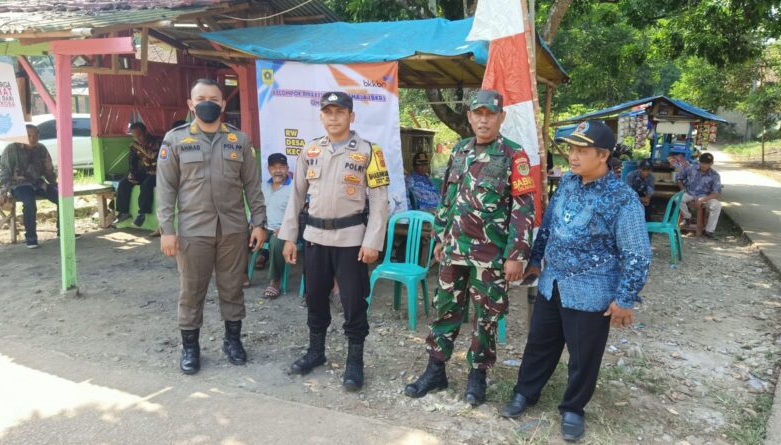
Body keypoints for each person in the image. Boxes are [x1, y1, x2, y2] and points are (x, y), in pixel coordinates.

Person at [501, 120, 651, 442]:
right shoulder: (568, 183)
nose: (573, 156)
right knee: (539, 343)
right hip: (552, 283)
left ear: (603, 155)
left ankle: (573, 408)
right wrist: (536, 261)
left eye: (582, 150)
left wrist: (625, 299)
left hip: (591, 289)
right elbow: (549, 225)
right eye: (571, 149)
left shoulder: (622, 198)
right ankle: (525, 392)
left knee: (583, 356)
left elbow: (637, 254)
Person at [403, 89, 536, 407]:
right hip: (453, 251)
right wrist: (439, 237)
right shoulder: (460, 150)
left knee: (486, 317)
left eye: (490, 114)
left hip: (490, 256)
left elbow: (523, 209)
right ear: (470, 117)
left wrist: (516, 255)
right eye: (478, 113)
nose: (483, 120)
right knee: (445, 309)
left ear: (501, 117)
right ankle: (436, 370)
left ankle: (478, 377)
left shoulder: (514, 155)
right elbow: (447, 198)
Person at [278, 91, 389, 392]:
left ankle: (355, 361)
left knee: (353, 301)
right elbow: (296, 195)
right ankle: (316, 351)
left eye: (340, 112)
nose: (334, 117)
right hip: (315, 238)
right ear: (321, 116)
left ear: (351, 116)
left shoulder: (370, 151)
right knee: (315, 297)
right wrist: (289, 237)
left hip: (351, 239)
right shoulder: (310, 150)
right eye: (328, 112)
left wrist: (373, 241)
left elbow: (380, 201)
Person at [156, 78, 267, 375]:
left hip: (233, 229)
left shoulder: (239, 140)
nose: (208, 103)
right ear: (191, 104)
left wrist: (259, 223)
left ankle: (233, 341)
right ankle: (190, 348)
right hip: (193, 231)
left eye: (214, 99)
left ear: (223, 103)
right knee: (192, 290)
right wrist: (167, 229)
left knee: (232, 287)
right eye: (201, 98)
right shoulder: (175, 140)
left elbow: (252, 186)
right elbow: (165, 188)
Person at [0, 124, 59, 248]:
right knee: (29, 202)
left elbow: (48, 170)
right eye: (29, 136)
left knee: (62, 198)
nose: (32, 139)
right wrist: (3, 192)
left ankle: (64, 230)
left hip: (38, 183)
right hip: (19, 185)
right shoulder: (11, 149)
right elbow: (5, 172)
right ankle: (31, 238)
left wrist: (55, 185)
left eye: (35, 136)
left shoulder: (41, 148)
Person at [258, 153, 293, 299]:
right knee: (239, 235)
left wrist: (286, 228)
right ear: (268, 169)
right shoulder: (263, 186)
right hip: (265, 227)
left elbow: (300, 212)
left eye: (281, 167)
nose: (278, 170)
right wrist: (256, 225)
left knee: (276, 242)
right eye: (274, 167)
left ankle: (275, 281)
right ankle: (241, 275)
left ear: (287, 168)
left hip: (284, 229)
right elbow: (257, 208)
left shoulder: (294, 188)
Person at [112, 122, 161, 227]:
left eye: (140, 135)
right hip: (146, 171)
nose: (138, 139)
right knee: (124, 182)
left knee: (146, 185)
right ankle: (123, 212)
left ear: (146, 132)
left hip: (159, 173)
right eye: (135, 137)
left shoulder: (158, 142)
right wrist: (132, 173)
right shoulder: (134, 145)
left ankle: (142, 213)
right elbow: (132, 161)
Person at [677, 152, 722, 237]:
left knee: (717, 205)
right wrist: (682, 189)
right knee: (677, 199)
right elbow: (679, 178)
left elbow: (716, 193)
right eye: (702, 163)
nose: (704, 165)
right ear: (699, 161)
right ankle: (687, 217)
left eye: (707, 163)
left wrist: (702, 200)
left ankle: (709, 231)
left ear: (711, 163)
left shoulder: (715, 175)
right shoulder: (691, 168)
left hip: (705, 196)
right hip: (689, 193)